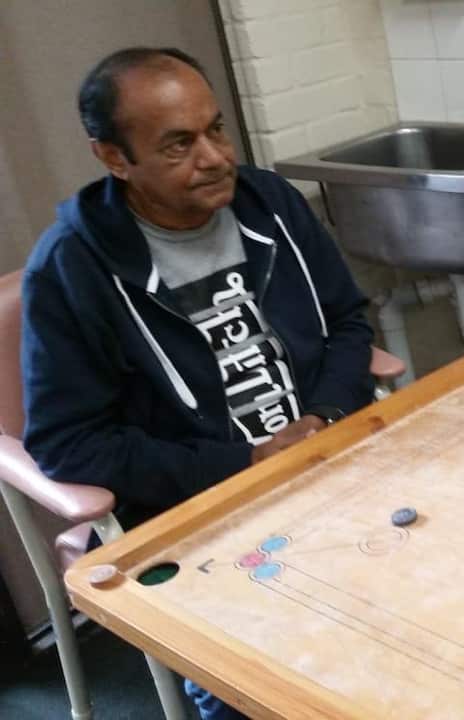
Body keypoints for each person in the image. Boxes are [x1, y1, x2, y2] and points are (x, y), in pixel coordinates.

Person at [21, 47, 374, 718]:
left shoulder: (270, 204)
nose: (215, 158)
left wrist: (325, 417)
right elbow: (69, 444)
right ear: (114, 158)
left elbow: (348, 322)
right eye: (179, 145)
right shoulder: (71, 271)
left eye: (216, 129)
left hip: (326, 462)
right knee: (259, 688)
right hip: (201, 509)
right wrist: (246, 462)